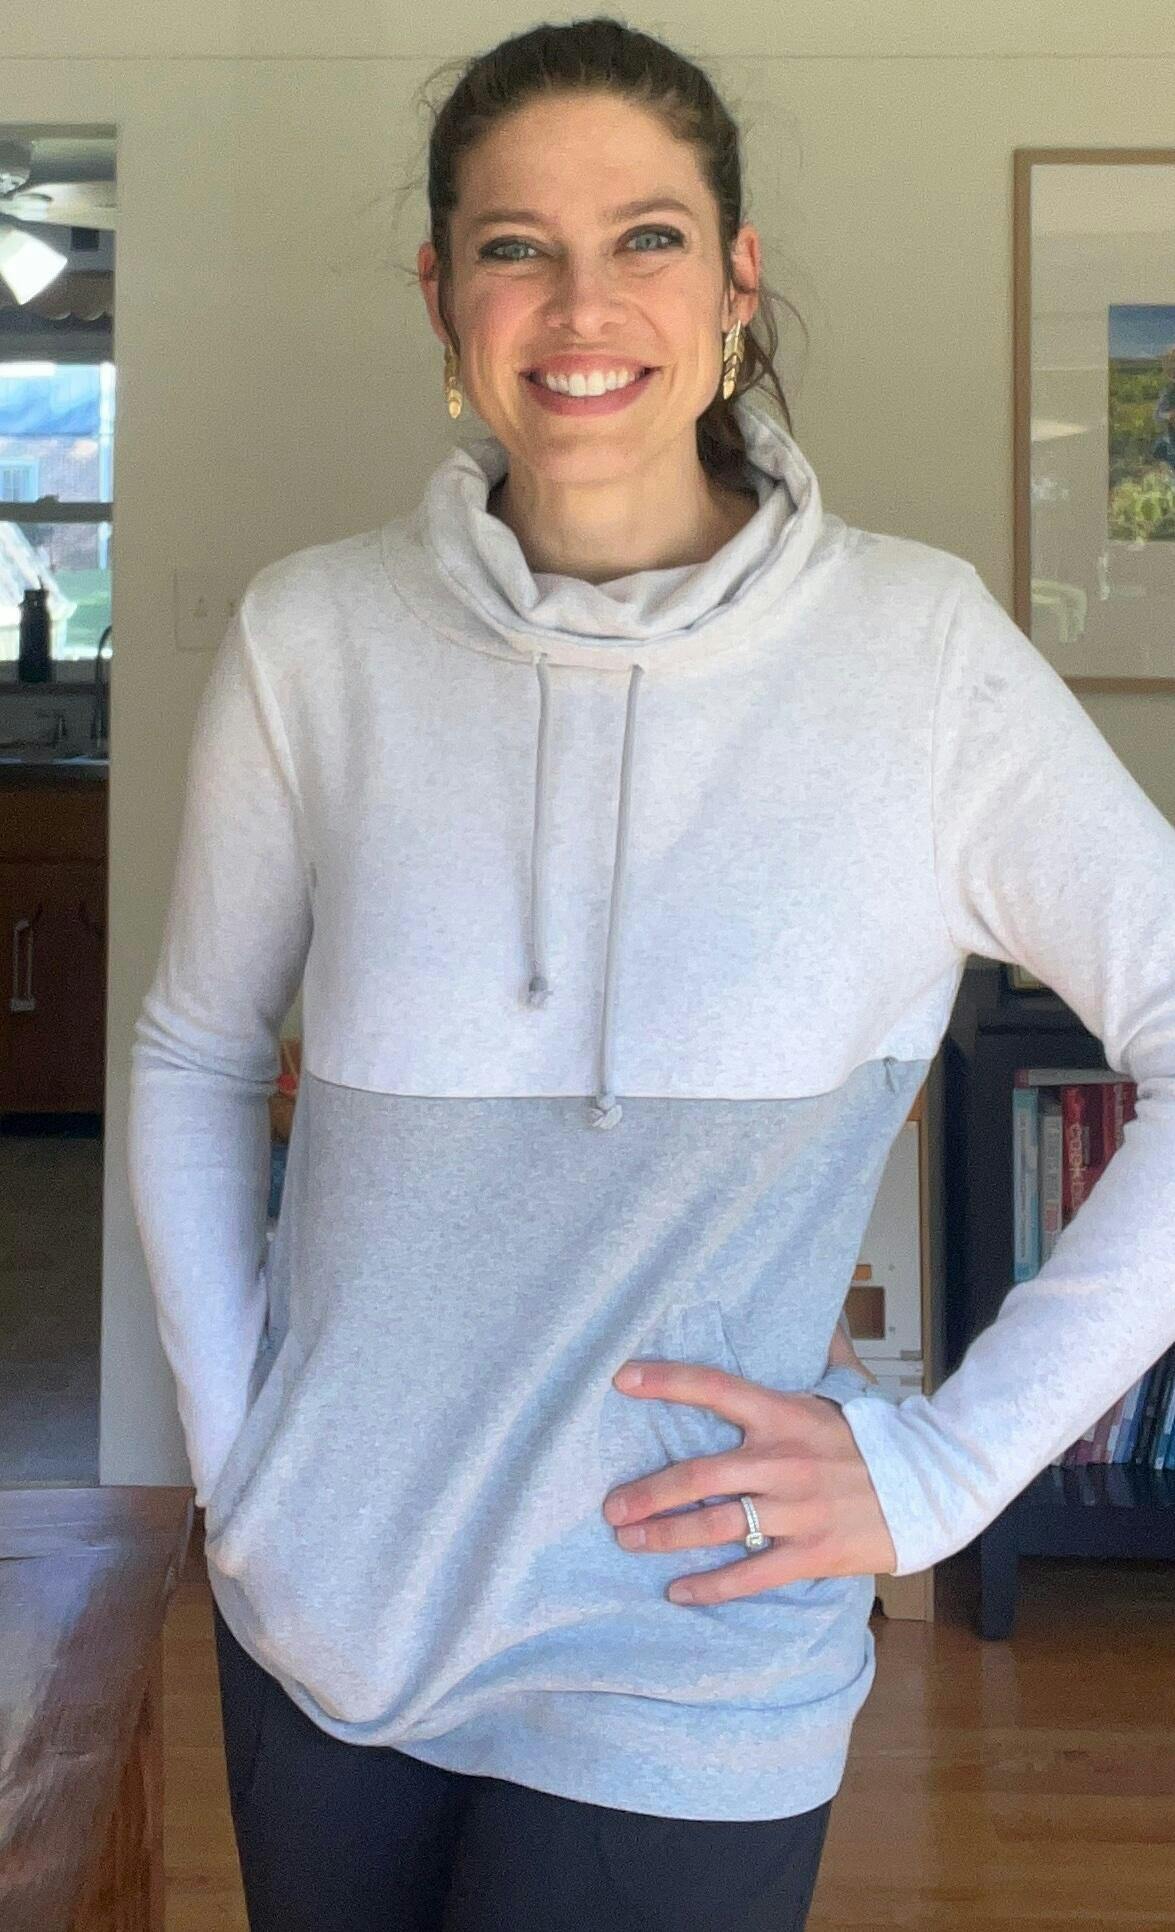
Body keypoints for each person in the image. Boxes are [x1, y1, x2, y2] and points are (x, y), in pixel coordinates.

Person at [126, 18, 1175, 1932]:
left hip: (688, 1651)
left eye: (649, 238)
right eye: (515, 246)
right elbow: (197, 1046)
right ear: (442, 296)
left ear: (737, 280)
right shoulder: (313, 643)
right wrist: (236, 1463)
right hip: (322, 1618)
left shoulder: (920, 660)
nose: (581, 304)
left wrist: (945, 1475)